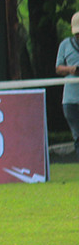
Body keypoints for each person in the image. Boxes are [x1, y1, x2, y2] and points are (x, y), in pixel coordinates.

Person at [55, 12, 79, 161]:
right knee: (77, 135)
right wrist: (71, 69)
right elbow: (58, 68)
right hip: (71, 100)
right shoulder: (65, 45)